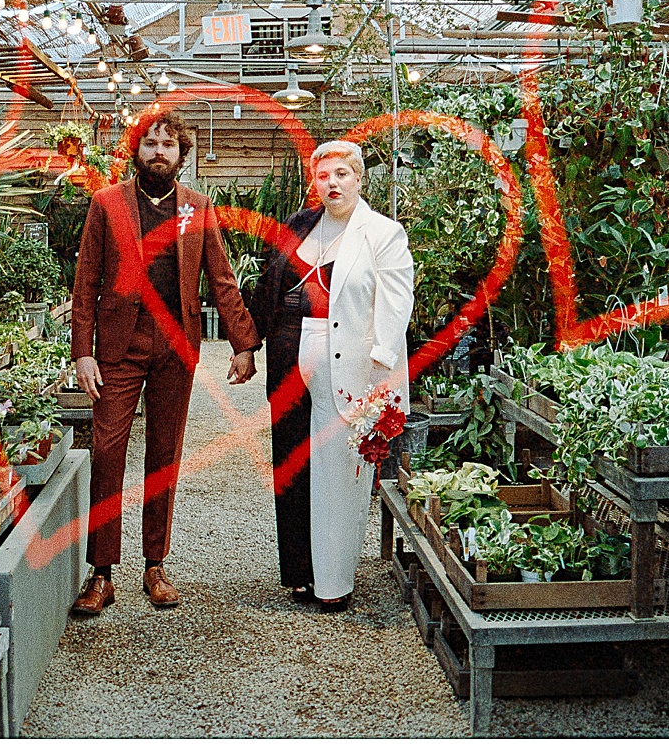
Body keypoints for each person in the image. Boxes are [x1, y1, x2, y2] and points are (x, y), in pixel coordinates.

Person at [69, 108, 259, 617]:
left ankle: (155, 565)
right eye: (150, 143)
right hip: (118, 348)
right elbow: (85, 281)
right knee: (108, 452)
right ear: (137, 150)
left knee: (163, 455)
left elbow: (221, 279)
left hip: (176, 345)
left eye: (168, 144)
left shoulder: (197, 208)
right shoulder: (107, 204)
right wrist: (82, 352)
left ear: (181, 155)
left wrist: (243, 343)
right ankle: (102, 573)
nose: (158, 151)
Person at [248, 140, 414, 611]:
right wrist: (249, 344)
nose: (332, 184)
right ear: (314, 183)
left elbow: (396, 301)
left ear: (359, 179)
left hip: (349, 362)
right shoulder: (301, 226)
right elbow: (269, 284)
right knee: (293, 461)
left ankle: (334, 582)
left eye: (342, 174)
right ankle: (300, 573)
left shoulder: (382, 233)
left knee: (339, 470)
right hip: (289, 353)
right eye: (323, 176)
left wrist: (382, 362)